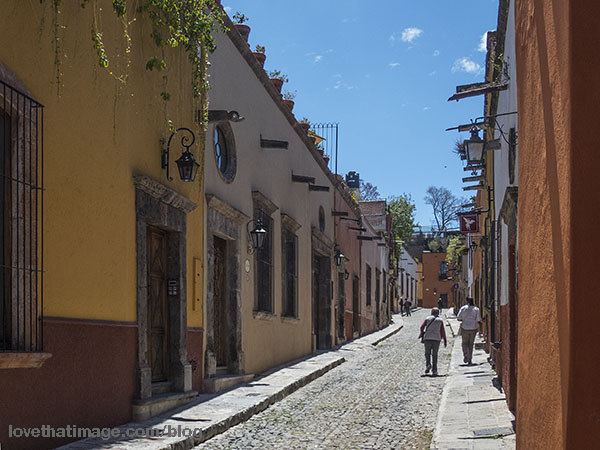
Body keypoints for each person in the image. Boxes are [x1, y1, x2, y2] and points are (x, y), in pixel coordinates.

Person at [418, 307, 447, 376]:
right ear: (438, 313)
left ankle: (428, 364)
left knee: (427, 353)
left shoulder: (427, 319)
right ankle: (434, 370)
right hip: (436, 338)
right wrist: (445, 340)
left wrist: (421, 334)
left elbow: (422, 327)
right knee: (435, 354)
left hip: (427, 338)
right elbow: (442, 331)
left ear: (431, 312)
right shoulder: (440, 320)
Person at [457, 297, 482, 365]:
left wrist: (464, 319)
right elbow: (478, 319)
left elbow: (458, 318)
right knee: (471, 344)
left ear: (467, 301)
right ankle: (470, 359)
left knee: (464, 343)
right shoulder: (476, 309)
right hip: (473, 328)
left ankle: (465, 355)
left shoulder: (463, 308)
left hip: (464, 328)